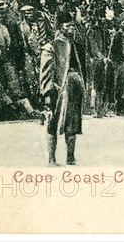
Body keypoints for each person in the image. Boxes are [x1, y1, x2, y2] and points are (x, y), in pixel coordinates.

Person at [40, 11, 87, 166]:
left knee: (73, 124)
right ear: (61, 27)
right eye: (68, 26)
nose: (72, 29)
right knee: (52, 123)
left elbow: (83, 69)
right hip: (58, 91)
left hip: (75, 89)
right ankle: (51, 159)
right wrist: (48, 96)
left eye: (73, 25)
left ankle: (70, 157)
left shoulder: (78, 46)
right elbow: (46, 75)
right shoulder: (51, 47)